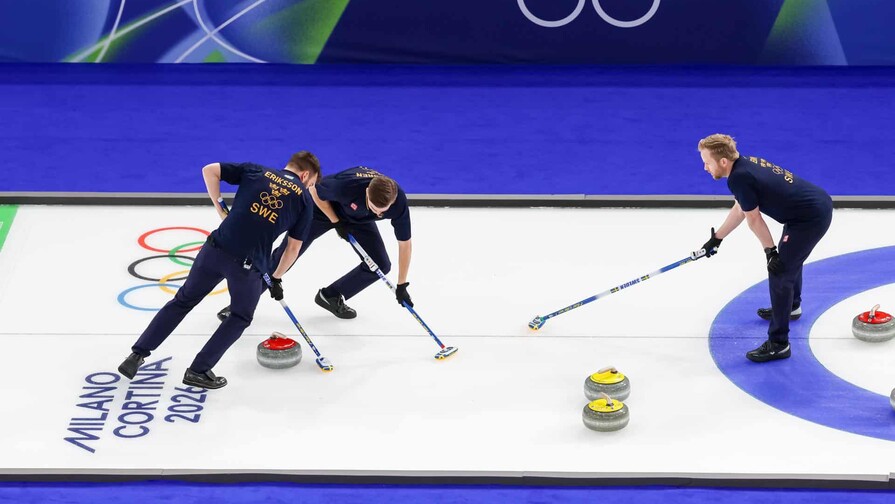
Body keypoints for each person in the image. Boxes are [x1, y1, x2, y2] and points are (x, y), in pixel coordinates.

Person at [117, 152, 320, 389]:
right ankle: (198, 370)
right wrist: (276, 278)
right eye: (312, 182)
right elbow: (293, 248)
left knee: (182, 301)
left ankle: (136, 355)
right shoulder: (304, 200)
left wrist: (221, 207)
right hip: (247, 265)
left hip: (214, 250)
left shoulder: (256, 170)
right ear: (306, 175)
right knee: (240, 316)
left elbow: (209, 170)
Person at [696, 134, 832, 363]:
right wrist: (717, 238)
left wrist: (770, 252)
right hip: (809, 208)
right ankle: (791, 307)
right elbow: (741, 206)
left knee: (779, 270)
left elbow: (754, 219)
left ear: (722, 162)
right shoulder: (743, 166)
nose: (704, 168)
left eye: (707, 162)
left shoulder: (738, 178)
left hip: (809, 218)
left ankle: (779, 344)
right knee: (787, 261)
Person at [216, 166, 413, 322]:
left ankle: (332, 296)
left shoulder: (398, 203)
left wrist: (402, 284)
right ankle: (241, 305)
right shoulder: (346, 186)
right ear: (367, 191)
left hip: (358, 217)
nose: (379, 214)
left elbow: (405, 244)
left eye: (383, 212)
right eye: (375, 208)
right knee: (287, 255)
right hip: (319, 210)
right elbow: (314, 192)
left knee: (380, 264)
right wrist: (336, 221)